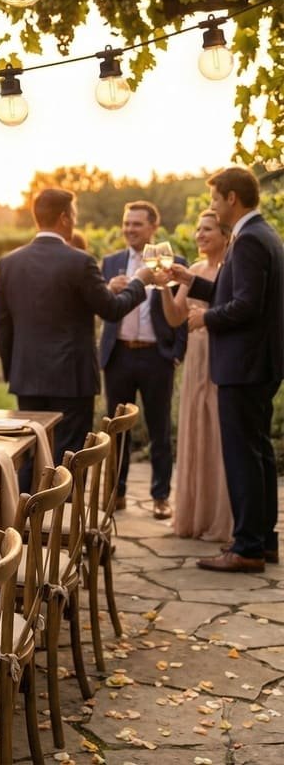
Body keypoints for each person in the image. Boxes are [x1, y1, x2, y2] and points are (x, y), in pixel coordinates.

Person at [0, 188, 153, 483]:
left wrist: (14, 370)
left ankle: (25, 522)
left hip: (28, 376)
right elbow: (112, 310)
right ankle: (58, 525)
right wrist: (139, 282)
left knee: (32, 452)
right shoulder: (80, 261)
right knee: (67, 458)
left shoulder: (9, 263)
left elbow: (2, 324)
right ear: (65, 218)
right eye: (75, 214)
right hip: (72, 377)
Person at [168, 167, 283, 573]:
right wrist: (192, 282)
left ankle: (247, 546)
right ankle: (265, 541)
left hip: (244, 365)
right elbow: (236, 292)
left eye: (215, 199)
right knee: (259, 453)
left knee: (242, 456)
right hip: (258, 363)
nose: (212, 207)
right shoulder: (260, 234)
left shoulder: (250, 240)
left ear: (232, 199)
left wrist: (206, 319)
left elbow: (246, 305)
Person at [99, 201, 188, 520]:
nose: (129, 229)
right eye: (126, 223)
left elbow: (182, 309)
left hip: (156, 356)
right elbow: (101, 305)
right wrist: (109, 288)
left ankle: (161, 497)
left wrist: (176, 353)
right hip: (119, 354)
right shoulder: (110, 263)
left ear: (153, 227)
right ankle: (115, 492)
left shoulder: (173, 262)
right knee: (116, 429)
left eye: (137, 224)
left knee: (159, 429)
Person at [159, 210, 232, 542]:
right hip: (195, 360)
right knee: (195, 430)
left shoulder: (231, 270)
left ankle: (221, 519)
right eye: (199, 229)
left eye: (208, 229)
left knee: (218, 434)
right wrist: (163, 287)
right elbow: (175, 318)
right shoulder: (195, 271)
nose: (200, 235)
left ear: (225, 234)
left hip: (221, 358)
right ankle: (193, 516)